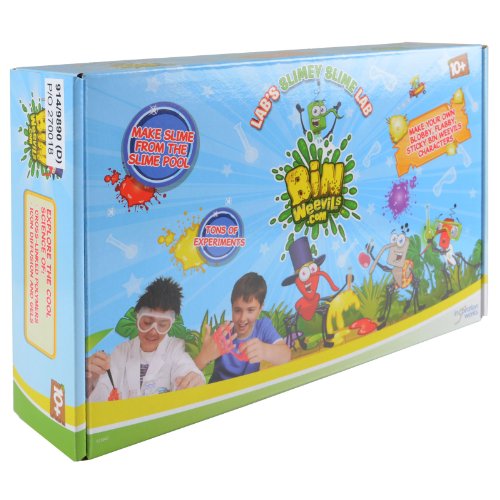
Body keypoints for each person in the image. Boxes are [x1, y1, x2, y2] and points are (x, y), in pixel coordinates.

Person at [86, 277, 205, 402]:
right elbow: (102, 392)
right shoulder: (121, 352)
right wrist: (93, 379)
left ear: (170, 325)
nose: (153, 332)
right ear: (137, 318)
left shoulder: (175, 348)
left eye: (162, 325)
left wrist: (194, 378)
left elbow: (185, 368)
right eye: (147, 322)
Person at [195, 272, 291, 382]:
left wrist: (265, 351)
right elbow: (190, 372)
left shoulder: (263, 327)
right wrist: (203, 357)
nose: (242, 318)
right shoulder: (223, 333)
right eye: (237, 310)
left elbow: (286, 356)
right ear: (232, 307)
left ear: (260, 308)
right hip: (219, 389)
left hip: (250, 389)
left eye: (250, 310)